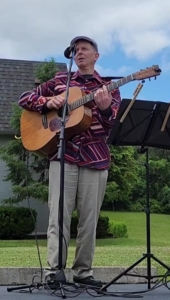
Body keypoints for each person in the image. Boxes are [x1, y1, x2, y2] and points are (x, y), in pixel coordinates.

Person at [18, 36, 122, 287]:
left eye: (85, 49)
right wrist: (46, 102)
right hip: (61, 156)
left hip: (95, 159)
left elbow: (112, 125)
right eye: (76, 50)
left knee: (89, 220)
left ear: (96, 56)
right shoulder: (60, 82)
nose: (80, 53)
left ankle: (83, 273)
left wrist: (106, 109)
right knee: (58, 218)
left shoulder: (108, 87)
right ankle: (54, 272)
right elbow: (24, 98)